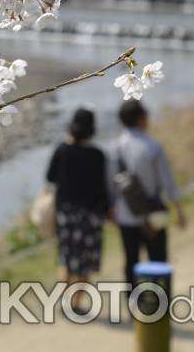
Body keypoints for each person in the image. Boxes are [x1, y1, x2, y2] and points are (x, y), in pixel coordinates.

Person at [111, 100, 186, 286]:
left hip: (126, 215)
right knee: (158, 260)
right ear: (142, 119)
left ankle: (133, 306)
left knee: (131, 261)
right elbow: (167, 182)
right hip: (154, 216)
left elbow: (110, 185)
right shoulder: (153, 147)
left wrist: (111, 210)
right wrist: (179, 210)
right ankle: (159, 306)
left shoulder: (114, 149)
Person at [47, 108, 110, 291]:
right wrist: (107, 211)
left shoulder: (62, 149)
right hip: (90, 215)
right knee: (86, 260)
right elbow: (102, 188)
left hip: (65, 214)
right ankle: (76, 303)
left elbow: (50, 177)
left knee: (67, 257)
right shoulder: (97, 155)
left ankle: (62, 298)